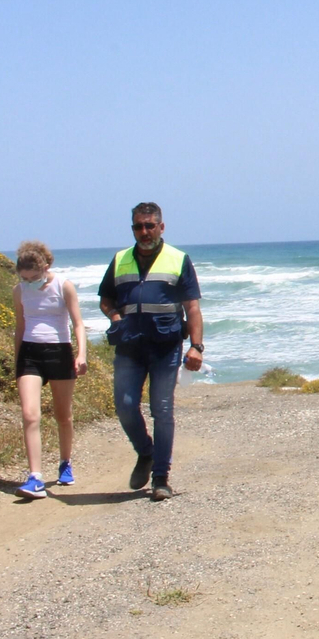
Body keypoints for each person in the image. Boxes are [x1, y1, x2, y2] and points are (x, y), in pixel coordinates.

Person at [97, 201, 204, 501]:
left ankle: (160, 478)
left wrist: (196, 347)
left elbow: (192, 308)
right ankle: (146, 452)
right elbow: (106, 300)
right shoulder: (120, 260)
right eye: (138, 226)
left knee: (162, 409)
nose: (144, 232)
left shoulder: (178, 260)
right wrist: (115, 317)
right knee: (125, 405)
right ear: (133, 228)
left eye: (149, 226)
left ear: (161, 227)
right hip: (129, 346)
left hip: (165, 347)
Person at [11, 241, 87, 499]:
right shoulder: (19, 291)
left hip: (59, 351)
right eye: (24, 278)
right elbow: (20, 326)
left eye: (33, 278)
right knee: (30, 414)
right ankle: (35, 477)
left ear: (45, 267)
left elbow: (78, 323)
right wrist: (17, 361)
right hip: (30, 354)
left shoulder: (63, 286)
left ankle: (65, 462)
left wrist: (81, 354)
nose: (28, 283)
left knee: (63, 415)